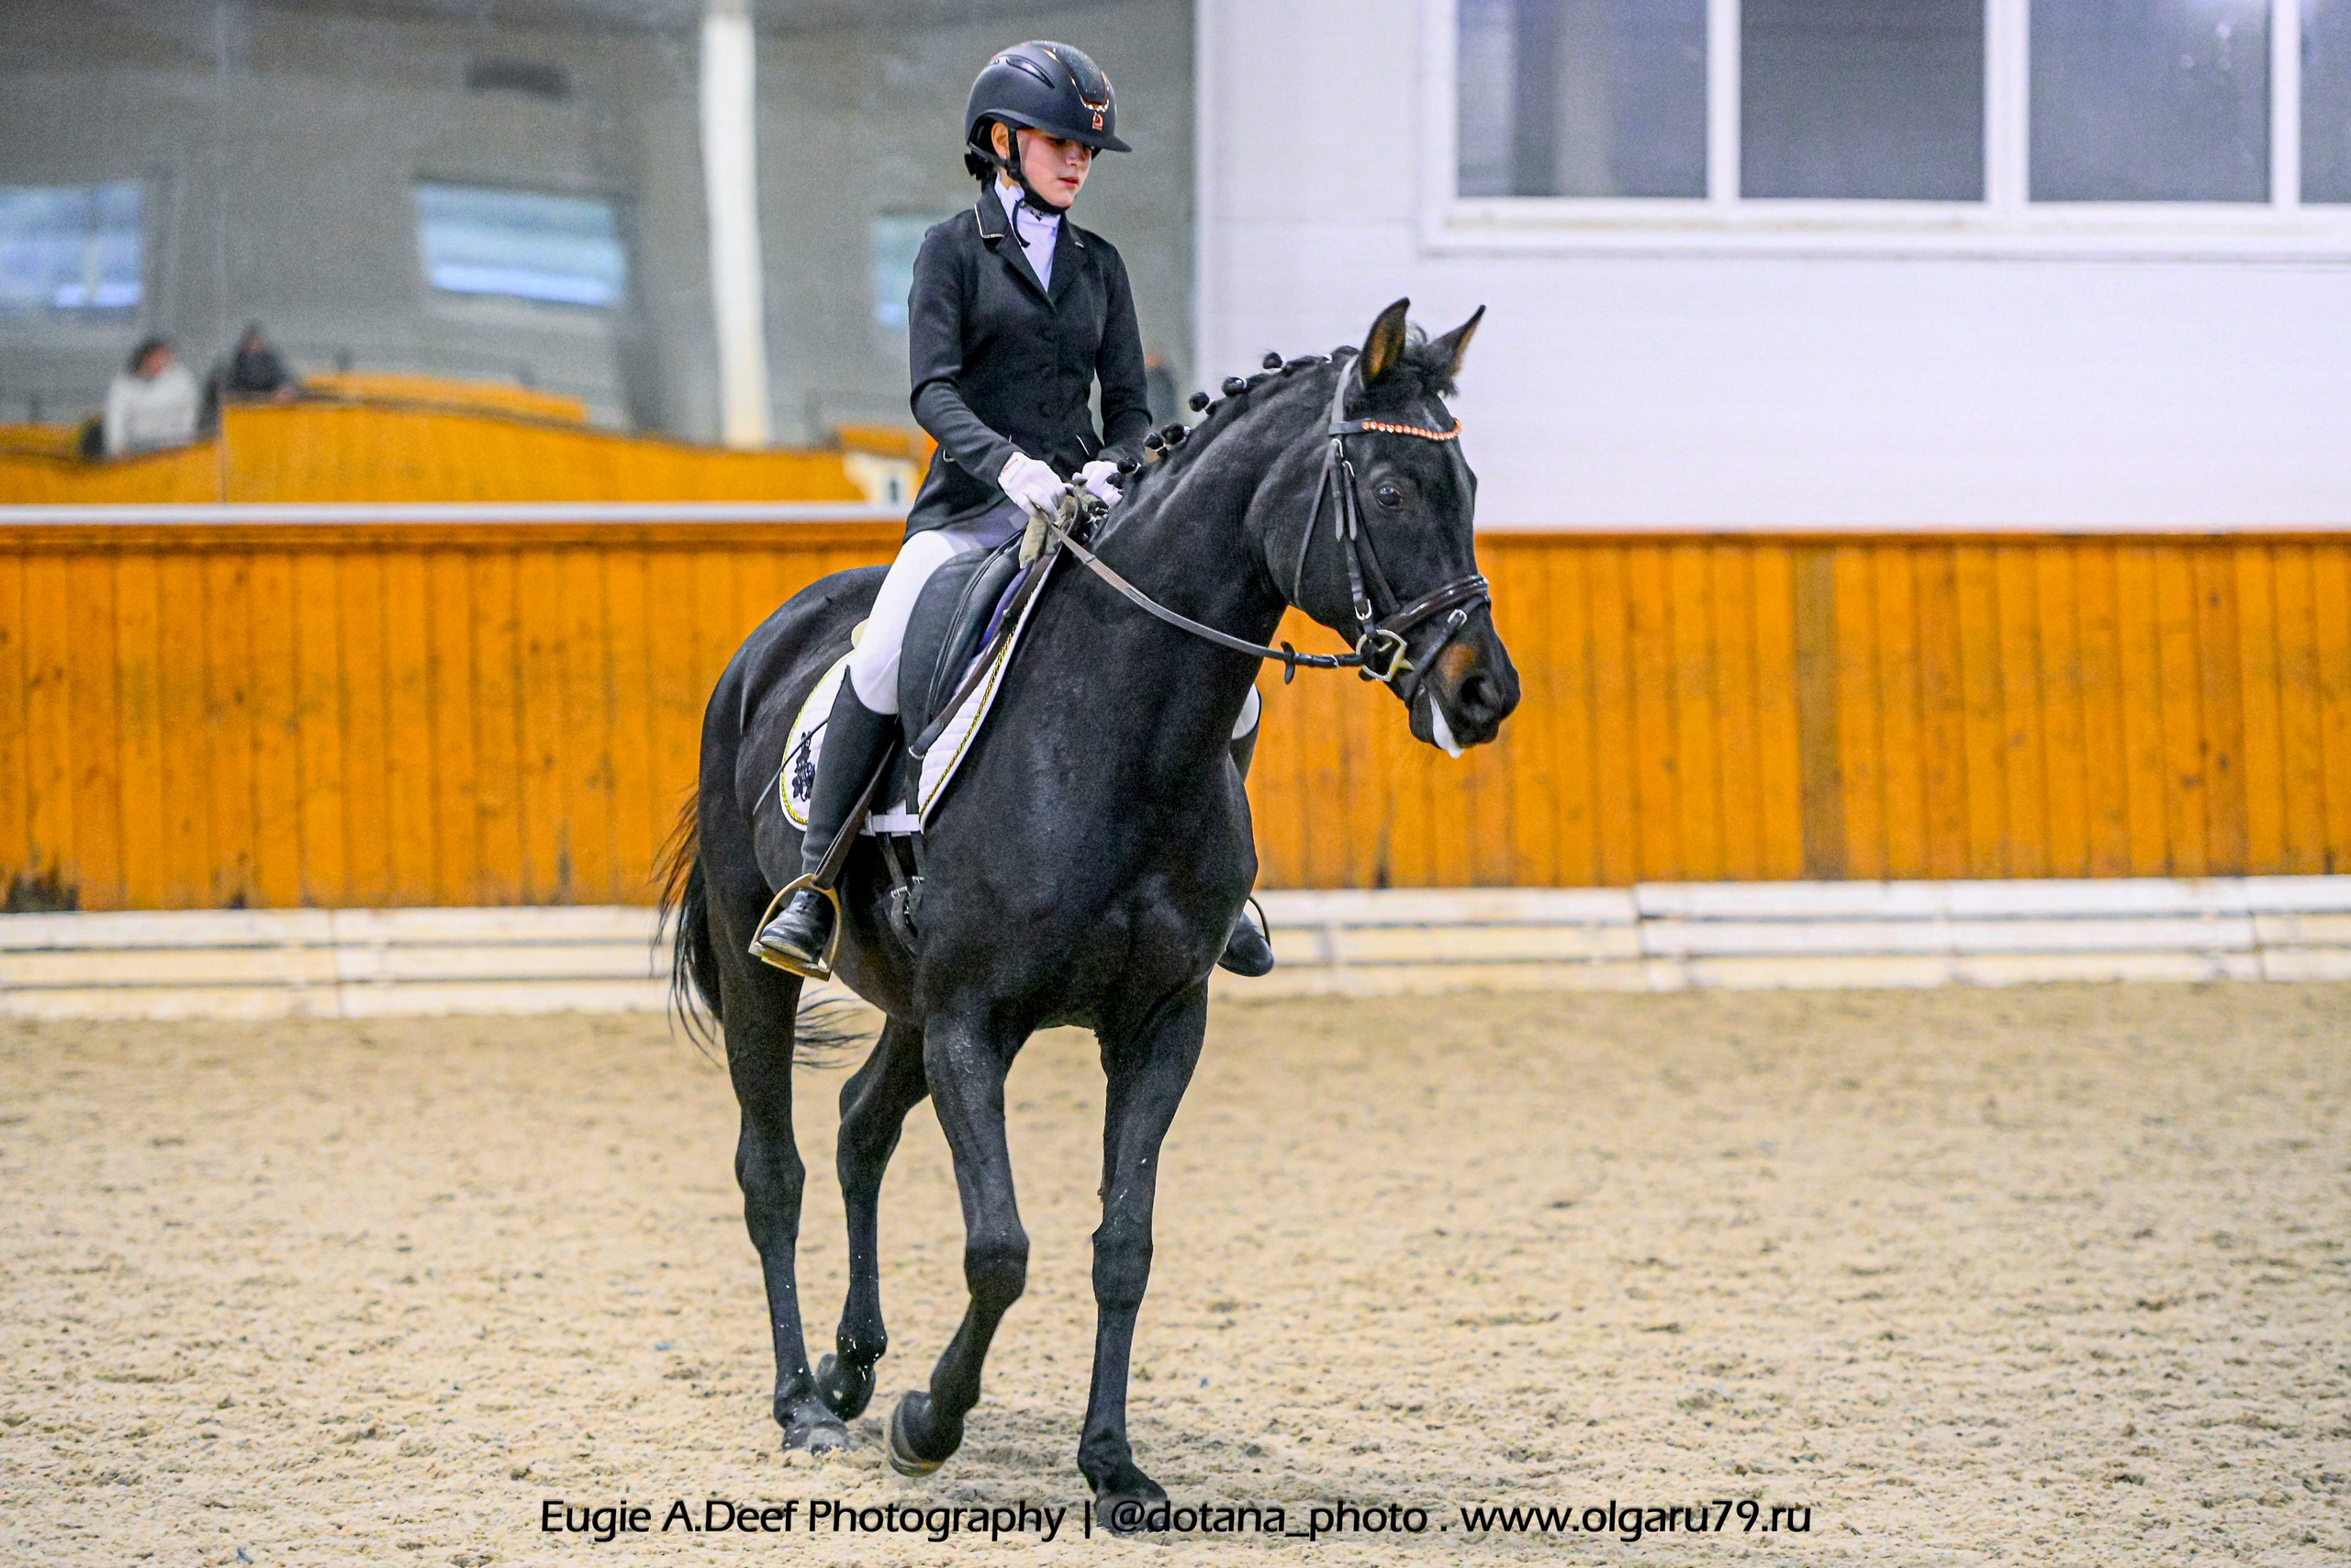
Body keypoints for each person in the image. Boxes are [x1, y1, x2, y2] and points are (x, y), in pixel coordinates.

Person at [753, 39, 1275, 979]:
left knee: (1222, 684)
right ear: (999, 141)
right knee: (877, 654)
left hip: (1083, 513)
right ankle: (814, 883)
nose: (1077, 161)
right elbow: (932, 391)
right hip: (969, 509)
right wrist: (1006, 468)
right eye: (1058, 143)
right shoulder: (949, 253)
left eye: (1086, 150)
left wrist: (1116, 467)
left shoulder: (1100, 266)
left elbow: (1127, 403)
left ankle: (1218, 886)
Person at [102, 335, 200, 457]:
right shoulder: (123, 384)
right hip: (138, 445)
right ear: (145, 359)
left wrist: (186, 438)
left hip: (174, 443)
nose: (160, 363)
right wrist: (117, 447)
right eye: (156, 359)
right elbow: (115, 418)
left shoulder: (180, 377)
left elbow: (188, 410)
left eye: (163, 358)